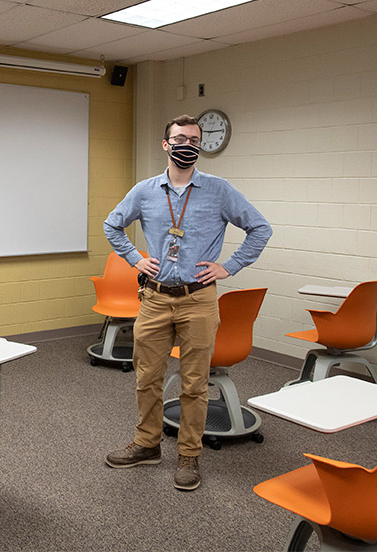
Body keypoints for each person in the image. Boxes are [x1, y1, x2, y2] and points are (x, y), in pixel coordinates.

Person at [103, 114, 271, 490]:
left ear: (201, 146)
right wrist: (135, 258)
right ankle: (147, 444)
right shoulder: (146, 190)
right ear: (166, 145)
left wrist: (229, 267)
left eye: (194, 139)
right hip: (155, 297)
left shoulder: (218, 190)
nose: (187, 145)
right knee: (147, 377)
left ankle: (189, 456)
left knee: (195, 383)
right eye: (180, 139)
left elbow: (260, 228)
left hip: (198, 300)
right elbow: (112, 224)